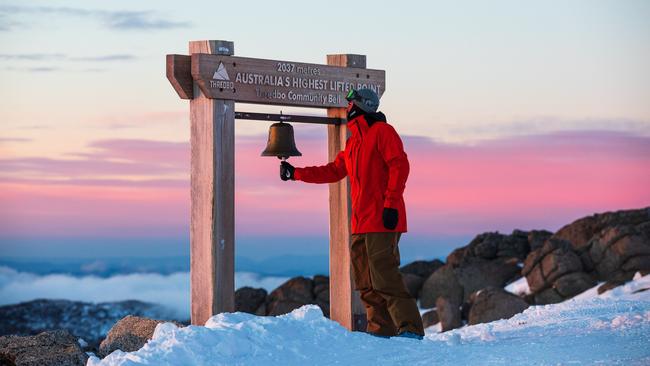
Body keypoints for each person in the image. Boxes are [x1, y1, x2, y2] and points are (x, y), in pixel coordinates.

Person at [279, 88, 425, 339]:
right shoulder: (353, 141)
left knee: (384, 276)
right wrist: (296, 173)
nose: (347, 108)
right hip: (360, 221)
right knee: (365, 282)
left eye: (351, 103)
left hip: (383, 218)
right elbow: (334, 171)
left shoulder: (383, 132)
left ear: (363, 106)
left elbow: (399, 166)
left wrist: (390, 204)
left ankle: (410, 328)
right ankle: (381, 331)